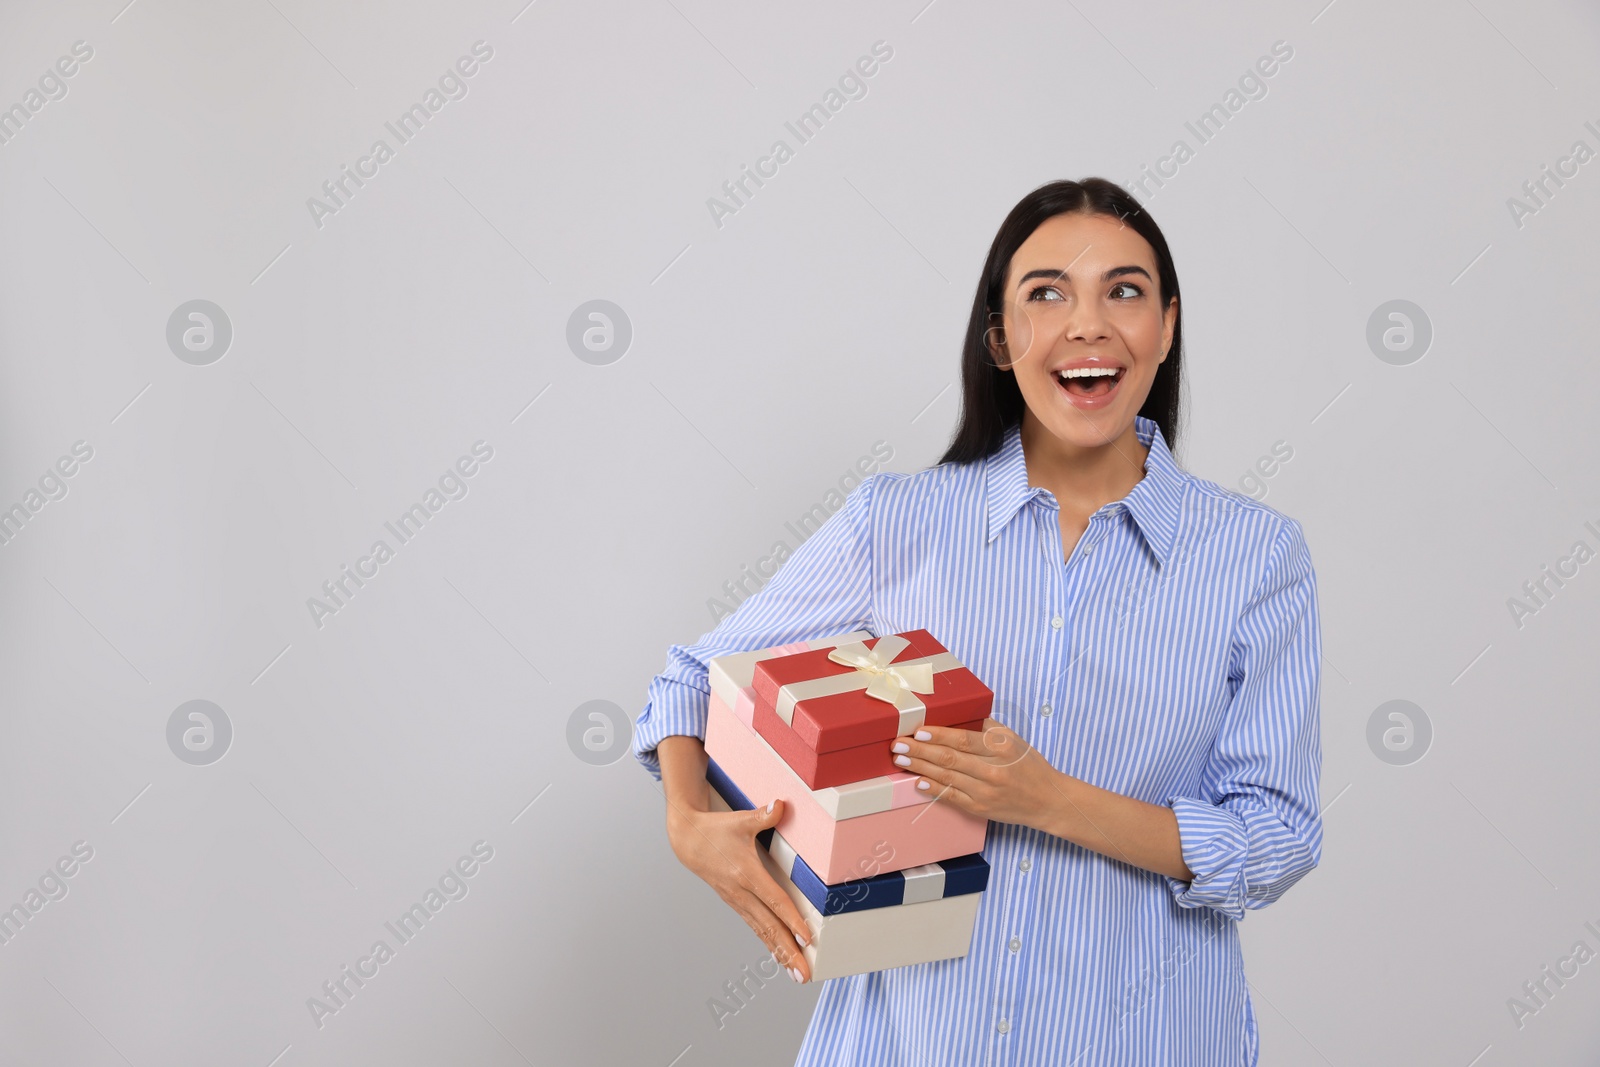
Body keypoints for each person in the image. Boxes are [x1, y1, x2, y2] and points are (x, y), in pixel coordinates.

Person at [633, 177, 1323, 1066]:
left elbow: (1273, 836)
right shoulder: (900, 525)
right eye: (1047, 293)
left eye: (1124, 290)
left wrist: (1051, 801)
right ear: (1000, 339)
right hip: (907, 1040)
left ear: (1167, 327)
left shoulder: (1255, 557)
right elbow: (694, 681)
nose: (1088, 324)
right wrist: (690, 820)